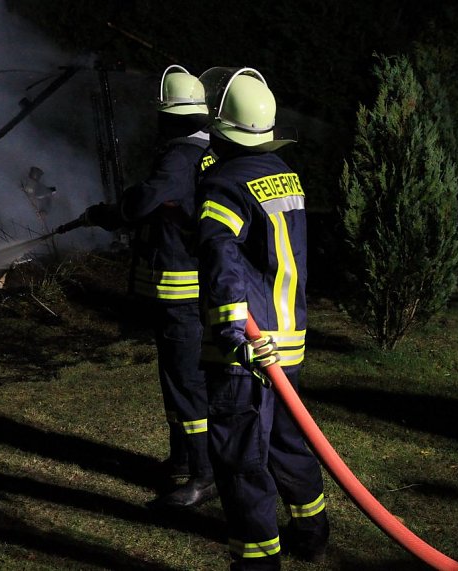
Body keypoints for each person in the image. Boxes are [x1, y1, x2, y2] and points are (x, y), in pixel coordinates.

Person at [194, 67, 331, 569]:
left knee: (240, 458)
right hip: (287, 337)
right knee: (287, 442)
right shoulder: (282, 172)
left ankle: (256, 560)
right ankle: (313, 533)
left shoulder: (224, 185)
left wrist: (232, 332)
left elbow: (221, 256)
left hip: (249, 350)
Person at [82, 65, 217, 509]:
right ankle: (181, 462)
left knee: (185, 382)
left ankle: (202, 475)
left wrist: (109, 211)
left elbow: (144, 201)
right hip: (194, 283)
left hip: (180, 290)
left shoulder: (179, 156)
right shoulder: (210, 149)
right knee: (178, 380)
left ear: (173, 117)